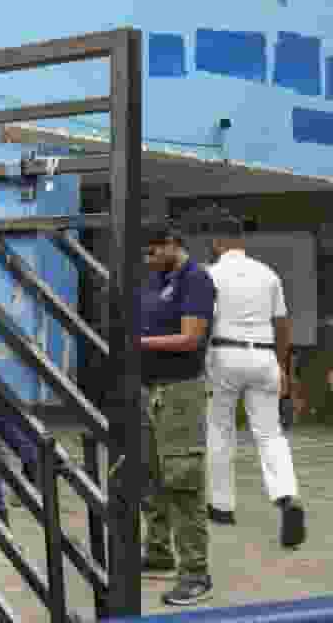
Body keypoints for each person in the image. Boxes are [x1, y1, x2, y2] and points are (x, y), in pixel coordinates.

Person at [203, 216, 307, 549]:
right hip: (264, 357)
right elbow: (282, 326)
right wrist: (282, 366)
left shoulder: (210, 275)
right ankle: (286, 495)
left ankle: (222, 506)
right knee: (270, 433)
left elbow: (204, 321)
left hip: (224, 355)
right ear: (242, 240)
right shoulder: (268, 274)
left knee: (220, 429)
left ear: (217, 242)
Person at [138, 220, 215, 606]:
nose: (148, 260)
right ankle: (158, 552)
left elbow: (190, 338)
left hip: (180, 392)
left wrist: (136, 343)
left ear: (171, 244)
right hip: (148, 389)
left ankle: (196, 573)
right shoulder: (155, 278)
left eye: (152, 252)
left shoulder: (195, 279)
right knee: (150, 476)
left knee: (183, 481)